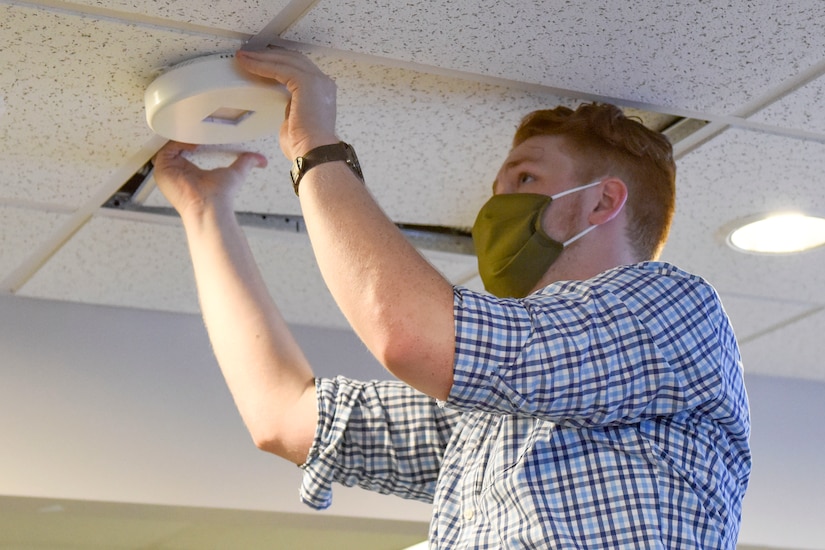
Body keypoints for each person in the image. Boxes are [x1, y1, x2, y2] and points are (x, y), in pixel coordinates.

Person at [153, 47, 751, 548]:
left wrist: (315, 144)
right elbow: (283, 417)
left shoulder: (672, 311)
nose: (496, 208)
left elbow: (412, 336)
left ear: (602, 202)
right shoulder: (490, 417)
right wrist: (206, 210)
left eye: (524, 179)